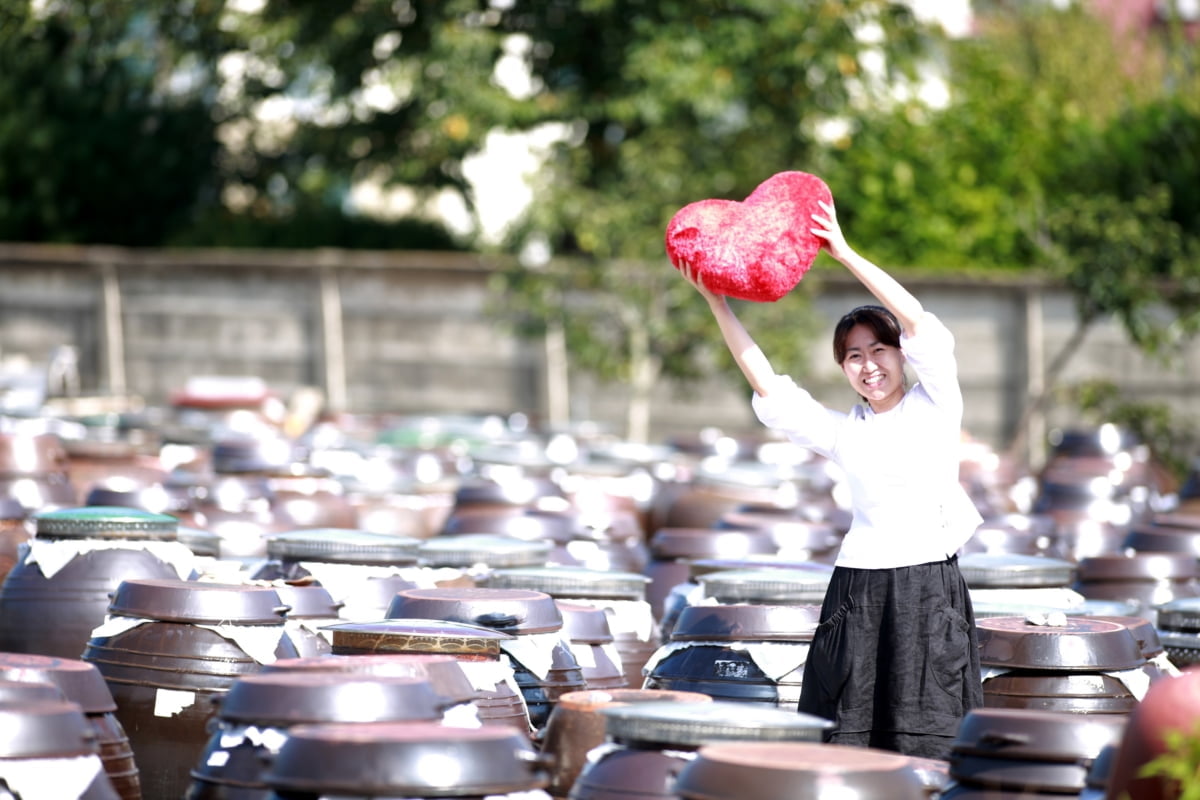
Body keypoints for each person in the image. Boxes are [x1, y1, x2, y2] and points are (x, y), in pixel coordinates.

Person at [679, 198, 984, 760]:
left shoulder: (937, 402)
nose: (869, 365)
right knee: (846, 730)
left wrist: (843, 253)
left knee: (930, 731)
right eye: (853, 356)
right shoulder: (844, 432)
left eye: (879, 349)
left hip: (928, 589)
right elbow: (770, 385)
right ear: (843, 368)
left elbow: (918, 321)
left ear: (900, 354)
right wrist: (716, 302)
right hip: (858, 590)